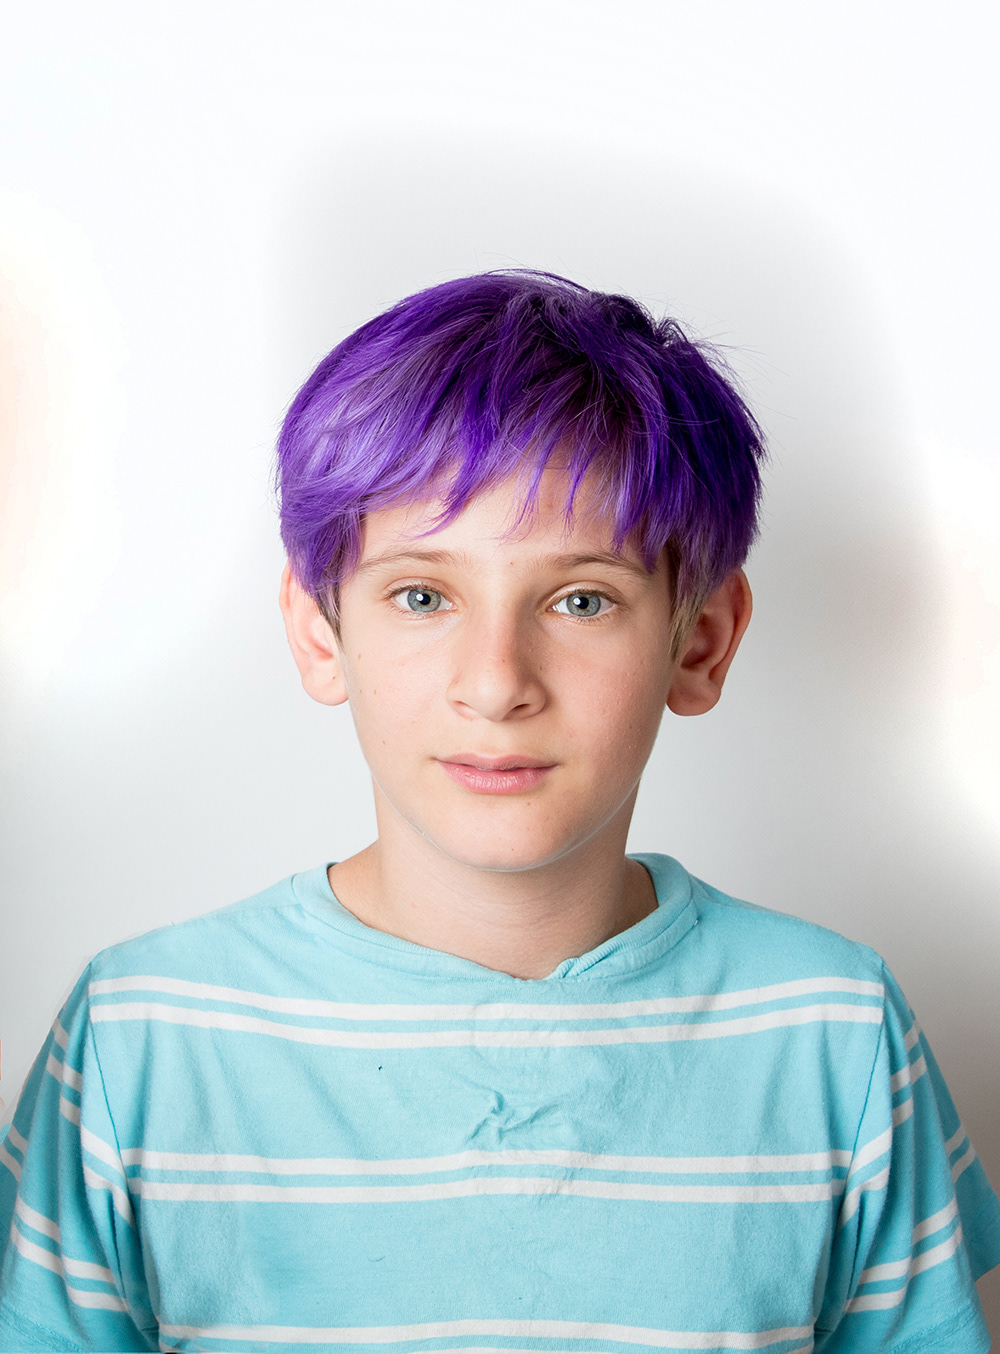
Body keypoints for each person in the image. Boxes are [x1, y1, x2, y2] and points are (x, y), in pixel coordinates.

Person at [1, 270, 997, 1353]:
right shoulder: (138, 1037)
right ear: (320, 631)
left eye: (581, 599)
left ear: (701, 640)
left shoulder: (835, 1031)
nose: (495, 682)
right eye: (422, 596)